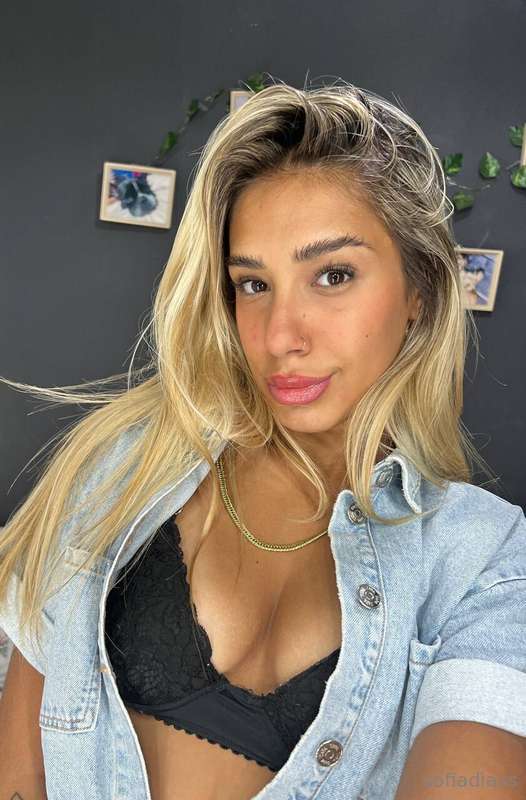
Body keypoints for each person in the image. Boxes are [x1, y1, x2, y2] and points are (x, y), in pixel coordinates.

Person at [1, 79, 525, 800]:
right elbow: (19, 776)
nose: (281, 336)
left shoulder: (484, 560)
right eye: (253, 285)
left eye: (332, 275)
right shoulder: (123, 466)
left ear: (419, 292)